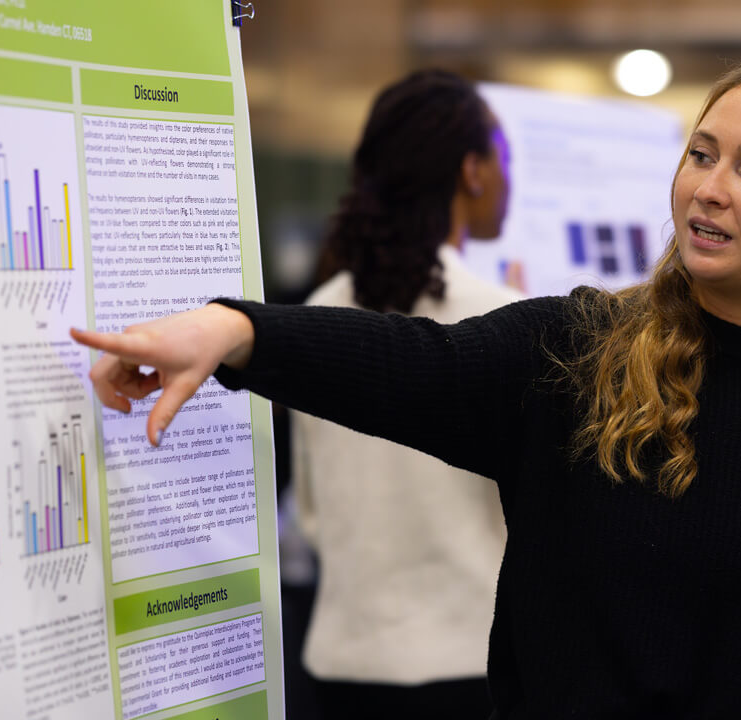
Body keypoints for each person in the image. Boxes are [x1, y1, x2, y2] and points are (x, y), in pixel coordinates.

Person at [72, 56, 741, 717]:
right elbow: (414, 363)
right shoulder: (583, 349)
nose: (708, 189)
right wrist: (237, 332)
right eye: (701, 153)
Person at [292, 69, 520, 719]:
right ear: (474, 172)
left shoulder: (314, 316)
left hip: (344, 667)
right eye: (505, 160)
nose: (510, 181)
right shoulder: (507, 320)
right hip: (474, 664)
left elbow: (310, 512)